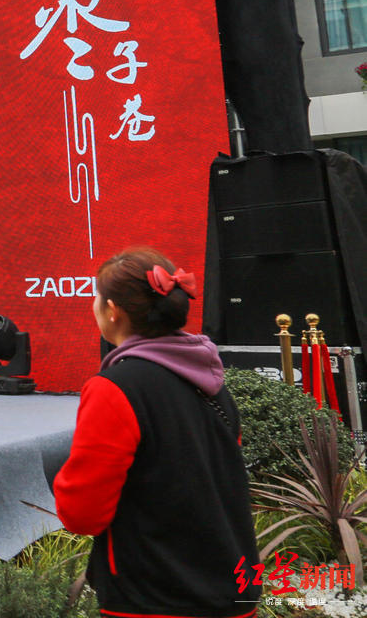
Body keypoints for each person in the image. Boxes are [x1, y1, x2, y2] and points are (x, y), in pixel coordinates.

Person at [54, 247, 260, 617]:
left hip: (154, 597)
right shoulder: (212, 380)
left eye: (96, 297)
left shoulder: (113, 388)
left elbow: (82, 514)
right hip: (233, 591)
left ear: (112, 310)